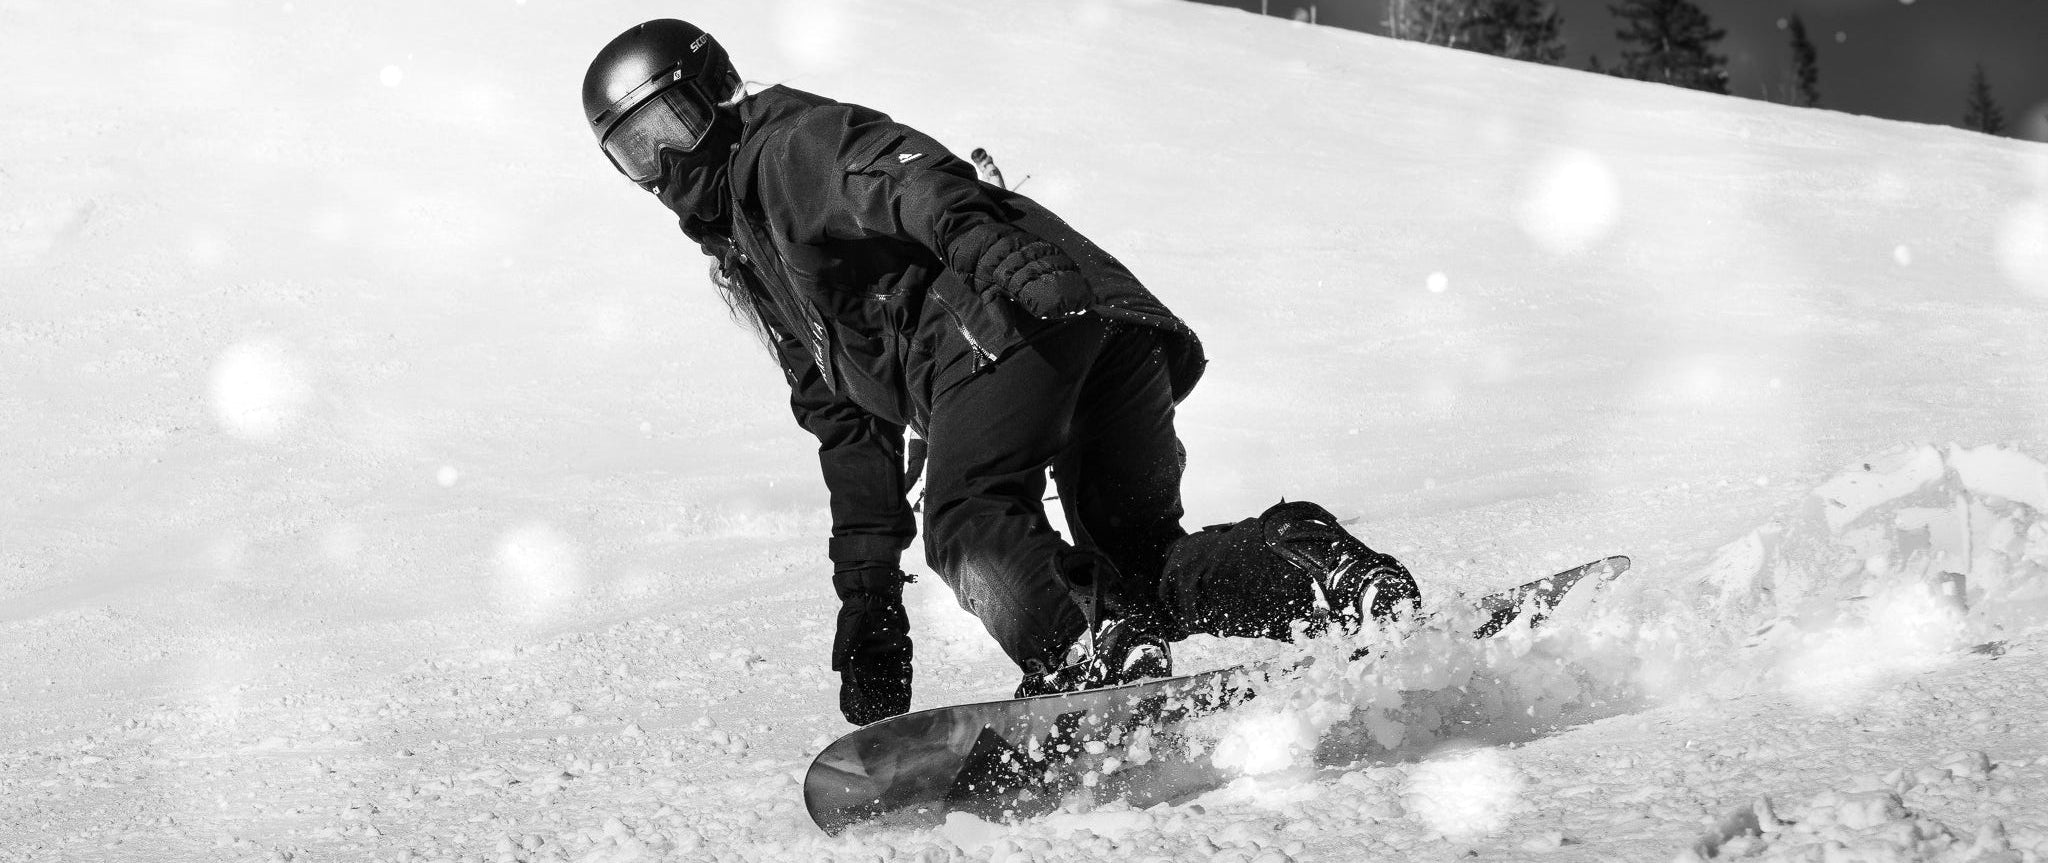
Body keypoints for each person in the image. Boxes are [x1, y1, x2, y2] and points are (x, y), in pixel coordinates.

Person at [580, 19, 1421, 726]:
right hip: (1098, 324)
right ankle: (1320, 575)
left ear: (717, 95)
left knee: (968, 517)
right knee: (1137, 560)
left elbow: (904, 176)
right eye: (633, 153)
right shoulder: (758, 261)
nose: (662, 169)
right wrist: (871, 604)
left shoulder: (784, 147)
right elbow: (848, 427)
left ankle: (1092, 656)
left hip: (1007, 314)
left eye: (671, 129)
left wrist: (1000, 254)